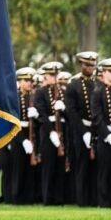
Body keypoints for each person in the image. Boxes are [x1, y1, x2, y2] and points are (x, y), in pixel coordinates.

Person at [65, 51, 98, 207]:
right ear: (81, 65)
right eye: (87, 65)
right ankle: (82, 200)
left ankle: (94, 198)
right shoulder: (73, 85)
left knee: (95, 166)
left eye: (92, 65)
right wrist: (83, 132)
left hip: (96, 128)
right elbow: (72, 112)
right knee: (82, 165)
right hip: (80, 130)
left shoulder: (97, 84)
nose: (90, 67)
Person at [34, 62, 67, 206]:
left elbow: (69, 114)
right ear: (45, 76)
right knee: (48, 166)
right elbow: (41, 114)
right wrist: (51, 132)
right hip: (47, 132)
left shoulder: (62, 91)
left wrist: (63, 108)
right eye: (51, 75)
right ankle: (47, 198)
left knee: (60, 166)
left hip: (62, 131)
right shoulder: (40, 92)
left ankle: (59, 197)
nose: (54, 78)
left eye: (55, 75)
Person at [10, 67, 37, 205]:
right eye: (26, 80)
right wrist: (22, 139)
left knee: (30, 169)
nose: (29, 83)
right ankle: (17, 197)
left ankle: (29, 197)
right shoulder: (14, 97)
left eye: (31, 81)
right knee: (18, 168)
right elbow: (12, 121)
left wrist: (36, 115)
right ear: (19, 82)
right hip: (17, 135)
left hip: (30, 134)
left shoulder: (33, 98)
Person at [91, 57, 111, 207]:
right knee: (104, 171)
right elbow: (97, 117)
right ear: (103, 73)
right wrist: (108, 135)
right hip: (105, 138)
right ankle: (103, 202)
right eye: (110, 71)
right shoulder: (98, 92)